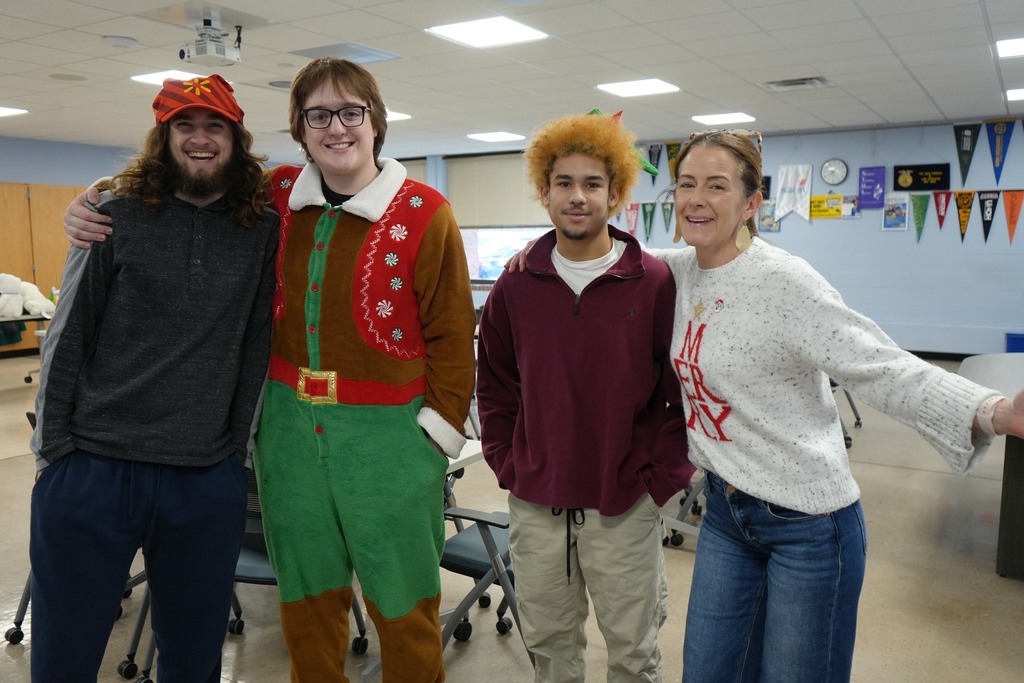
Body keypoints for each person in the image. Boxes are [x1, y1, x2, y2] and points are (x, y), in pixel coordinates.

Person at [510, 129, 1024, 682]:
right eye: (686, 184)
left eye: (717, 186)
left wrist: (992, 409)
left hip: (809, 522)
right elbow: (596, 255)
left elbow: (879, 364)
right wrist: (539, 254)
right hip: (728, 518)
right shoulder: (673, 272)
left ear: (752, 203)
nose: (697, 198)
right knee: (706, 672)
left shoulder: (785, 281)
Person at [63, 57, 477, 683]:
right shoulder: (275, 194)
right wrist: (92, 198)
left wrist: (434, 436)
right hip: (287, 433)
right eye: (318, 115)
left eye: (351, 112)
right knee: (306, 603)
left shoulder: (426, 211)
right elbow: (185, 174)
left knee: (403, 602)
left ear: (375, 121)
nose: (336, 128)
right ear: (301, 128)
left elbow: (453, 335)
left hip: (390, 440)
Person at [30, 74, 278, 682]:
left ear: (235, 138)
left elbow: (255, 344)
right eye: (184, 126)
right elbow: (69, 334)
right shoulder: (112, 213)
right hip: (93, 468)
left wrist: (232, 458)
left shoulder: (262, 227)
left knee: (194, 660)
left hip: (203, 479)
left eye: (214, 126)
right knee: (64, 652)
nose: (199, 139)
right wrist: (54, 454)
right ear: (162, 138)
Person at [474, 111, 693, 683]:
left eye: (592, 184)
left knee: (633, 650)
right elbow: (494, 383)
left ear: (615, 193)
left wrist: (659, 477)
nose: (577, 197)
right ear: (543, 192)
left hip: (623, 502)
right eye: (564, 183)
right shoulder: (516, 283)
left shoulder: (652, 282)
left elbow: (678, 392)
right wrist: (508, 461)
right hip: (537, 500)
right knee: (550, 648)